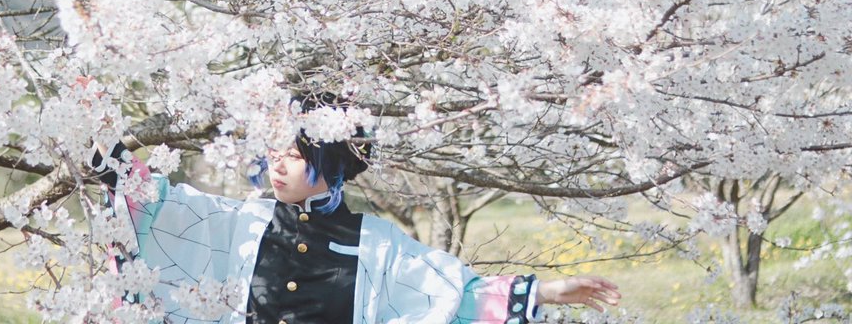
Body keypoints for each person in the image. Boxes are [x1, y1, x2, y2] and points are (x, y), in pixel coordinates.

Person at [93, 103, 620, 324]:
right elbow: (163, 207)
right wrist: (101, 145)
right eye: (274, 152)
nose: (278, 165)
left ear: (332, 164)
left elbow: (450, 297)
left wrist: (548, 291)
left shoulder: (376, 243)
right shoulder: (242, 221)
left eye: (295, 155)